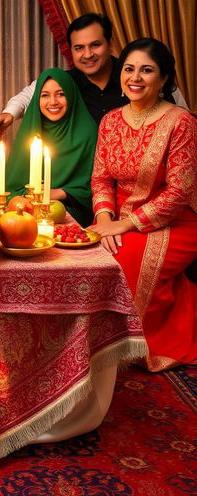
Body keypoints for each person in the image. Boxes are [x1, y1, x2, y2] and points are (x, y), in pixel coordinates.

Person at [89, 38, 197, 371]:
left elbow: (180, 191)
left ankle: (122, 349)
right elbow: (101, 179)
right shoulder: (110, 121)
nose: (135, 77)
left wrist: (122, 226)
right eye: (129, 69)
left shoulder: (181, 123)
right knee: (85, 254)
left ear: (163, 79)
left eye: (146, 70)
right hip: (117, 218)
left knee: (123, 258)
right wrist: (105, 218)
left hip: (176, 221)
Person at [0, 13, 188, 134]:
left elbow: (181, 116)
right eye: (79, 48)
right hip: (84, 182)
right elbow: (29, 94)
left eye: (95, 45)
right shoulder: (67, 81)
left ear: (110, 43)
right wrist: (10, 113)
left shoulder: (134, 76)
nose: (88, 55)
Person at [6, 67, 97, 226]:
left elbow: (95, 187)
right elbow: (12, 188)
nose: (53, 102)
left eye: (61, 94)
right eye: (45, 95)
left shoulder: (88, 132)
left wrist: (58, 193)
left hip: (71, 209)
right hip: (27, 208)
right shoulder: (30, 130)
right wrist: (31, 198)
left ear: (71, 94)